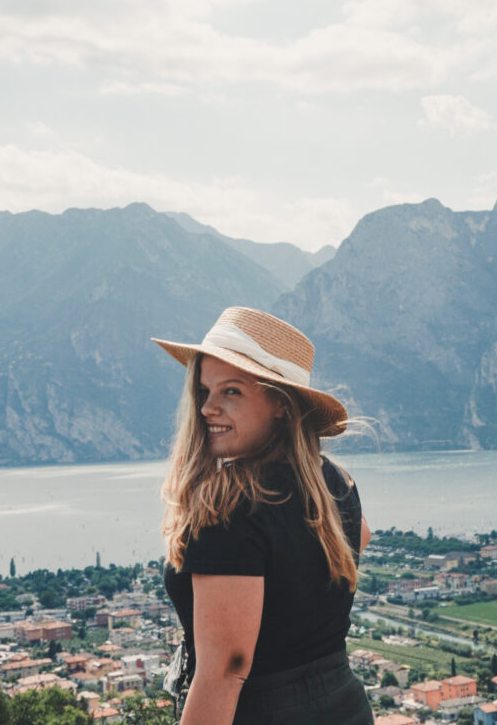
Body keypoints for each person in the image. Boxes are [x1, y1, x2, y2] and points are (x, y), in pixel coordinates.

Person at [152, 306, 373, 725]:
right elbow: (359, 536)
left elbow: (226, 668)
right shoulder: (333, 483)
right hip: (343, 702)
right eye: (204, 391)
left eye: (230, 392)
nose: (207, 409)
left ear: (282, 406)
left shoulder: (226, 505)